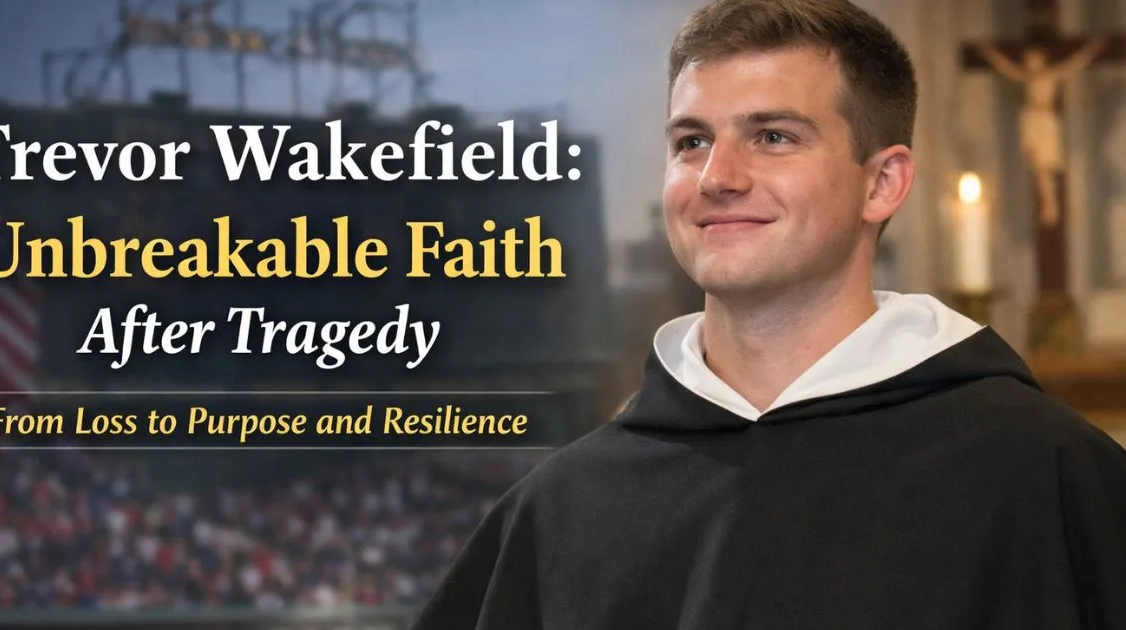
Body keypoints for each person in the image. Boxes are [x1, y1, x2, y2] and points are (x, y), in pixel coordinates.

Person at [412, 1, 1126, 628]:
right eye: (691, 141)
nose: (718, 177)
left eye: (773, 136)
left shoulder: (1043, 475)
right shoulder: (559, 511)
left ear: (882, 182)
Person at [976, 40, 1108, 227]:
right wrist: (991, 54)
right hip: (1032, 121)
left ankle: (1052, 206)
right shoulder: (1026, 76)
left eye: (1034, 59)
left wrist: (1091, 50)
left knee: (1046, 167)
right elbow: (1006, 67)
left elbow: (1074, 64)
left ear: (1043, 60)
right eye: (1028, 60)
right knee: (1037, 167)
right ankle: (1046, 206)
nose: (1031, 64)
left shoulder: (1052, 75)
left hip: (1046, 122)